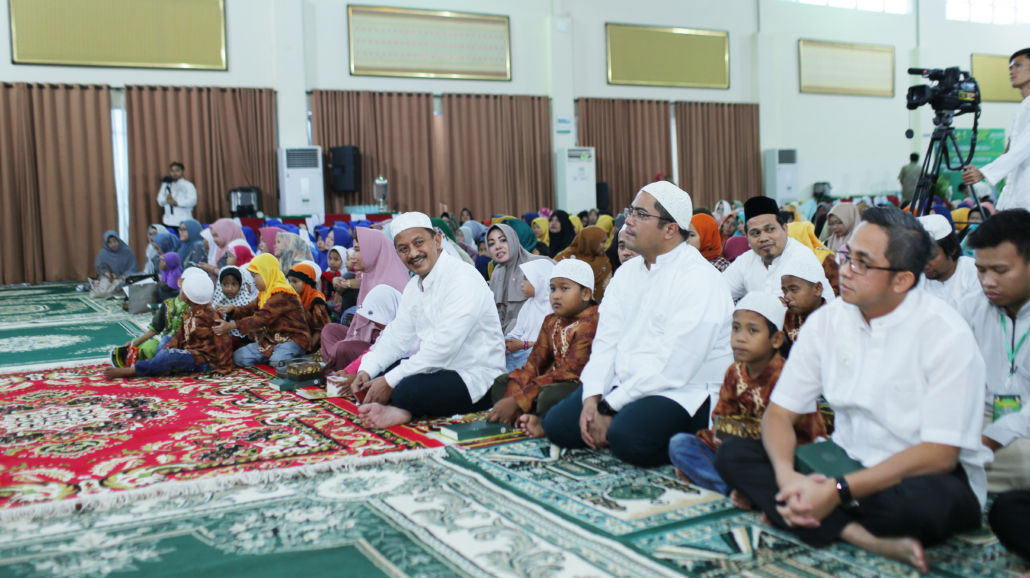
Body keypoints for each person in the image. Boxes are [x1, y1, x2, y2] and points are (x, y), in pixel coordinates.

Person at [715, 206, 986, 574]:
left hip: (917, 477)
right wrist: (787, 477)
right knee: (733, 454)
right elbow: (779, 413)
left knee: (929, 505)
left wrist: (836, 491)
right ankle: (858, 534)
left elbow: (939, 455)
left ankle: (800, 511)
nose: (844, 270)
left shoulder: (946, 335)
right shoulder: (829, 321)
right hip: (842, 460)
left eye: (862, 263)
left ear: (902, 280)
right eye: (847, 256)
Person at [541, 182, 734, 468]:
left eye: (641, 215)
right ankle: (618, 422)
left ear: (670, 229)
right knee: (557, 424)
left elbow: (675, 367)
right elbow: (606, 342)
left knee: (628, 439)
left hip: (683, 390)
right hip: (626, 382)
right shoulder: (627, 273)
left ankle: (691, 439)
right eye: (631, 211)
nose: (628, 221)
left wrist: (610, 406)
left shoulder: (698, 278)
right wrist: (593, 397)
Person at [352, 212, 507, 429]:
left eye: (419, 243)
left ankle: (403, 410)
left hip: (476, 376)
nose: (413, 253)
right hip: (436, 370)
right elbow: (396, 336)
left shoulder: (462, 278)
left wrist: (389, 382)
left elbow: (443, 347)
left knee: (406, 390)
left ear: (437, 240)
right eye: (404, 249)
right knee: (381, 375)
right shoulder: (414, 287)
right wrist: (366, 370)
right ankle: (401, 405)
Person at [669, 292, 826, 496]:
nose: (741, 338)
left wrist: (741, 439)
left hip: (781, 457)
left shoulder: (789, 377)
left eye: (753, 330)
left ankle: (731, 482)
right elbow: (720, 418)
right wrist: (726, 436)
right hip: (735, 450)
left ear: (777, 339)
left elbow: (806, 436)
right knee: (681, 444)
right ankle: (735, 488)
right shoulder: (734, 372)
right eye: (736, 328)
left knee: (742, 455)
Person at [957, 209, 1030, 494]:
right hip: (981, 418)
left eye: (1000, 271)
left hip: (1022, 430)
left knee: (1023, 461)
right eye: (980, 269)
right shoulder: (971, 306)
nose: (987, 281)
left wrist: (988, 441)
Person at [488, 259, 600, 434]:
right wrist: (514, 396)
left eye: (564, 289)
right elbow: (534, 364)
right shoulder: (551, 321)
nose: (556, 295)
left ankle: (539, 421)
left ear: (585, 293)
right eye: (552, 289)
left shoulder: (591, 323)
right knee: (502, 382)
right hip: (548, 381)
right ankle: (524, 417)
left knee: (549, 396)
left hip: (576, 385)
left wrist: (518, 400)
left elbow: (569, 372)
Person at [104, 272, 233, 379]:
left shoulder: (212, 316)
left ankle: (134, 371)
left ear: (187, 297)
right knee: (167, 339)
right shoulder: (193, 311)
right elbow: (179, 336)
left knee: (169, 355)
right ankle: (158, 365)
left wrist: (222, 366)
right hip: (190, 351)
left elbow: (223, 341)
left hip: (203, 360)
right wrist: (168, 349)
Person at [322, 227, 416, 373]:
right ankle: (338, 367)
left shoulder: (391, 284)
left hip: (382, 348)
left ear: (373, 251)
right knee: (330, 330)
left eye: (358, 250)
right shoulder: (368, 276)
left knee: (342, 348)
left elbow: (393, 340)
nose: (353, 256)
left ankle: (339, 369)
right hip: (363, 338)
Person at [722, 197, 835, 304]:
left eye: (770, 229)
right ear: (747, 238)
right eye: (755, 233)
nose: (763, 238)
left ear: (785, 230)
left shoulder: (801, 258)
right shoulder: (746, 260)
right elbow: (719, 294)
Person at [963, 48, 1030, 211]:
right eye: (1010, 67)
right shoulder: (1023, 107)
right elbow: (1010, 151)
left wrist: (983, 173)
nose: (1012, 71)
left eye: (1018, 65)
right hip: (1016, 197)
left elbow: (1022, 149)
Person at [214, 253, 310, 366]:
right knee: (238, 357)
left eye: (255, 276)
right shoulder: (265, 293)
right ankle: (274, 357)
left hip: (293, 339)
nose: (253, 281)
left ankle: (303, 360)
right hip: (271, 340)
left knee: (278, 361)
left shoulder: (283, 294)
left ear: (266, 273)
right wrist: (232, 309)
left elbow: (261, 318)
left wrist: (230, 326)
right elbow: (249, 309)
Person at [487, 223, 554, 334]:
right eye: (491, 243)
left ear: (513, 240)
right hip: (503, 339)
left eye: (503, 240)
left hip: (537, 336)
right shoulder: (496, 273)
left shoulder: (538, 264)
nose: (497, 246)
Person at [501, 259, 555, 373]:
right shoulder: (529, 304)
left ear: (540, 281)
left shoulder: (553, 308)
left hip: (538, 353)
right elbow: (517, 332)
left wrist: (523, 345)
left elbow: (552, 345)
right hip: (522, 350)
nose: (522, 284)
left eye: (526, 279)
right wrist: (504, 343)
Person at [917, 214, 980, 311]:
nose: (924, 263)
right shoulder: (917, 278)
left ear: (952, 249)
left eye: (931, 255)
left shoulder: (975, 273)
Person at [779, 256, 827, 348]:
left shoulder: (831, 321)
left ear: (817, 289)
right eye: (785, 291)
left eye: (794, 290)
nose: (787, 297)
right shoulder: (789, 317)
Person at [554, 226, 612, 301]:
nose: (605, 246)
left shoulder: (603, 260)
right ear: (591, 241)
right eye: (602, 242)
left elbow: (608, 290)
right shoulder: (565, 258)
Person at [285, 262, 330, 354]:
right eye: (289, 281)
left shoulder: (316, 301)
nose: (291, 285)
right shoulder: (293, 297)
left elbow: (321, 329)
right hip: (297, 340)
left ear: (306, 282)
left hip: (313, 345)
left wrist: (308, 348)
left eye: (295, 281)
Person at [213, 266, 258, 351]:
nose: (229, 289)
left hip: (242, 339)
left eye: (234, 284)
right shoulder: (217, 301)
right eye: (225, 284)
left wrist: (233, 310)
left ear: (241, 285)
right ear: (219, 285)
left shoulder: (246, 303)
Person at [91, 231, 138, 297]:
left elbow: (133, 268)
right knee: (103, 283)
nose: (113, 244)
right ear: (106, 243)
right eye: (110, 242)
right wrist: (107, 273)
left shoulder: (127, 251)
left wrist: (123, 276)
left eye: (114, 241)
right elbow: (99, 268)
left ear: (118, 240)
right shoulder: (103, 253)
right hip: (110, 280)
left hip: (124, 279)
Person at [156, 161, 197, 227]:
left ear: (182, 171)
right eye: (172, 171)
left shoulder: (188, 185)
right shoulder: (166, 185)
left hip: (183, 221)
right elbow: (160, 200)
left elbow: (192, 201)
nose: (174, 173)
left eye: (177, 170)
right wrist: (167, 200)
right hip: (168, 221)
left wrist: (176, 203)